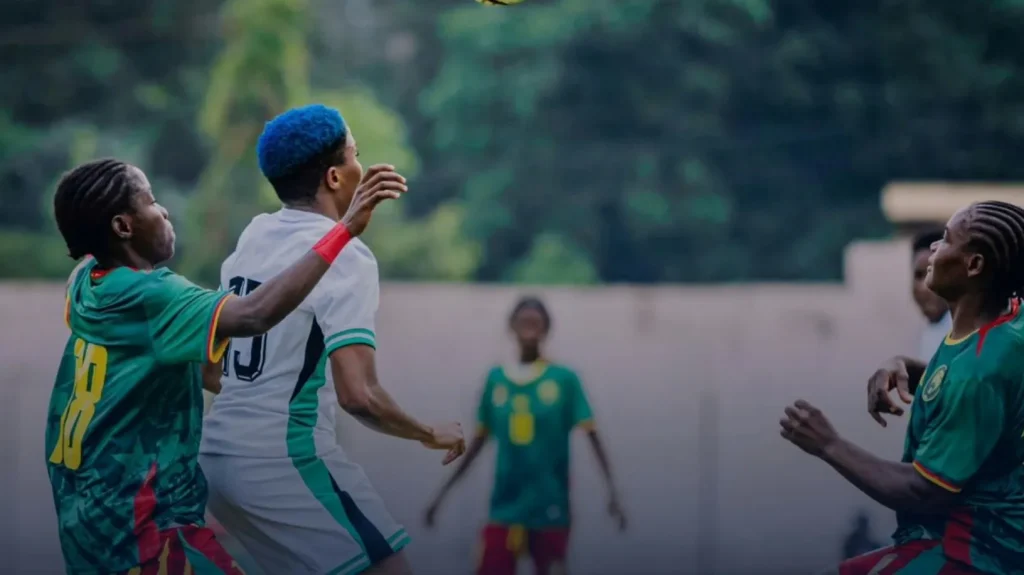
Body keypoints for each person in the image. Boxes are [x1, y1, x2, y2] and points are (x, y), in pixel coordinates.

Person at [45, 155, 402, 574]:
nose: (163, 211)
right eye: (151, 201)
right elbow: (255, 314)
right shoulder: (154, 296)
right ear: (123, 227)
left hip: (86, 525)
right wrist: (343, 231)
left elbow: (208, 374)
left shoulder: (86, 284)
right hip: (145, 532)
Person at [198, 104, 466, 575]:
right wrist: (428, 432)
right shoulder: (347, 256)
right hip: (282, 462)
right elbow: (359, 396)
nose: (361, 165)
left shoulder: (254, 235)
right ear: (335, 178)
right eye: (354, 154)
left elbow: (214, 369)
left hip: (217, 461)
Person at [781, 200, 1024, 574]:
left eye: (944, 240)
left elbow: (925, 491)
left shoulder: (979, 368)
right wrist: (918, 372)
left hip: (976, 550)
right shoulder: (1005, 322)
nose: (932, 250)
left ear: (974, 265)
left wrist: (828, 444)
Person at [423, 297, 626, 575]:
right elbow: (479, 443)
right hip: (505, 506)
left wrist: (613, 491)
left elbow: (592, 435)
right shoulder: (496, 380)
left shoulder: (564, 379)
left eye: (536, 323)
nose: (530, 329)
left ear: (546, 329)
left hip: (549, 505)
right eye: (524, 322)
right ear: (512, 327)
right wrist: (442, 495)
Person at [911, 229, 952, 361]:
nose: (924, 287)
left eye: (933, 273)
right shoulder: (930, 333)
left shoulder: (966, 337)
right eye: (918, 275)